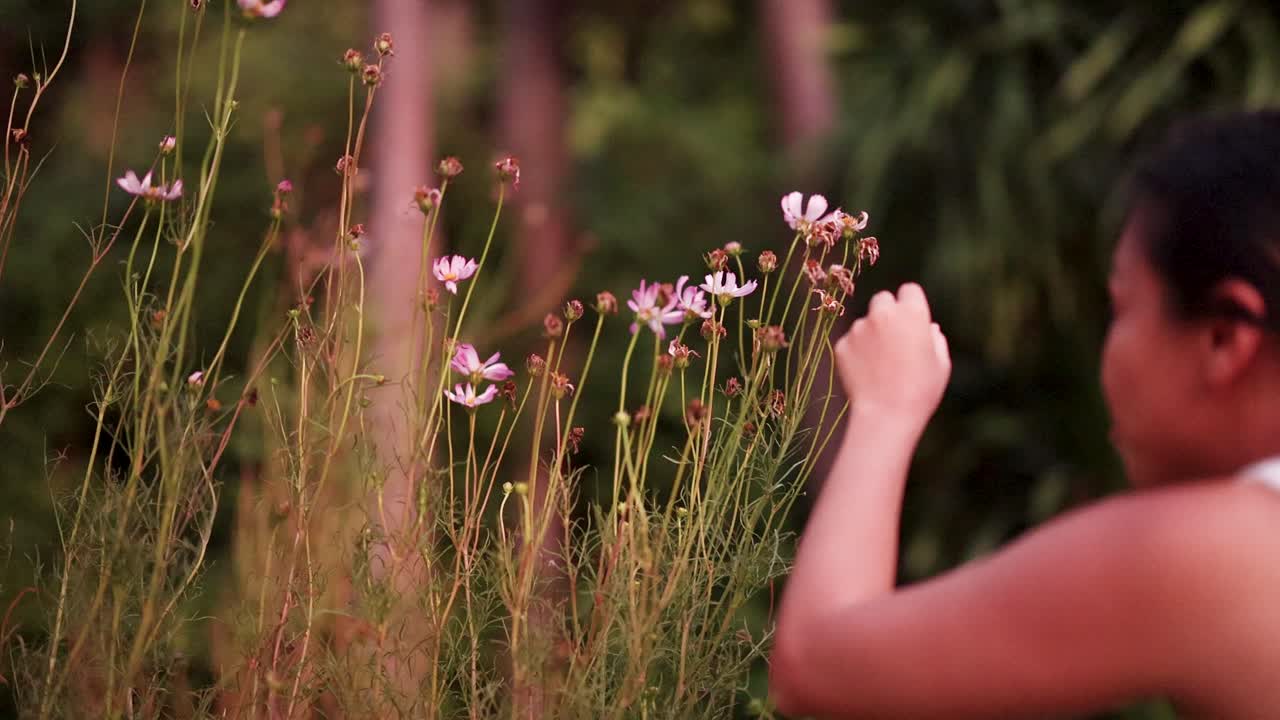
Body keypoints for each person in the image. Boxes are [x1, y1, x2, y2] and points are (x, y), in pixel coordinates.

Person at [770, 111, 1280, 719]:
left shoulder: (1218, 552)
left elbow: (815, 665)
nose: (1107, 346)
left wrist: (886, 409)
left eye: (1122, 307)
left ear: (1224, 337)